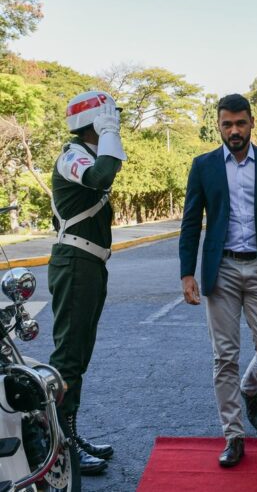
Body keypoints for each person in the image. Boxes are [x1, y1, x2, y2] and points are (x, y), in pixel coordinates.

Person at [179, 94, 257, 467]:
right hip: (223, 270)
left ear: (252, 122)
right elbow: (189, 223)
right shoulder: (203, 166)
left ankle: (250, 390)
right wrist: (187, 273)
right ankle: (233, 434)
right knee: (225, 356)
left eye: (240, 123)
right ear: (218, 125)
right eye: (227, 124)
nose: (234, 130)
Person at [49, 90, 127, 475]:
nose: (117, 123)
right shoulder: (73, 154)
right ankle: (59, 447)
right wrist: (109, 130)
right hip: (75, 264)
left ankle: (69, 436)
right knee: (68, 360)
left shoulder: (84, 154)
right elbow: (103, 175)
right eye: (111, 118)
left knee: (78, 358)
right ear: (96, 120)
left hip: (89, 265)